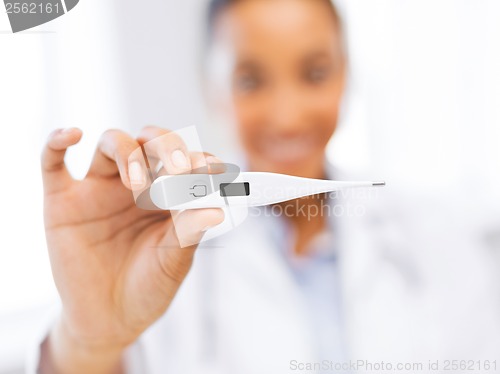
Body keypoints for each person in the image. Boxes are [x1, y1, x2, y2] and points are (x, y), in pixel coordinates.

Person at [34, 0, 500, 373]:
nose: (287, 115)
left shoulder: (440, 238)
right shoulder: (160, 249)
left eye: (315, 73)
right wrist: (87, 339)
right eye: (251, 80)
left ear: (347, 74)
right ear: (210, 87)